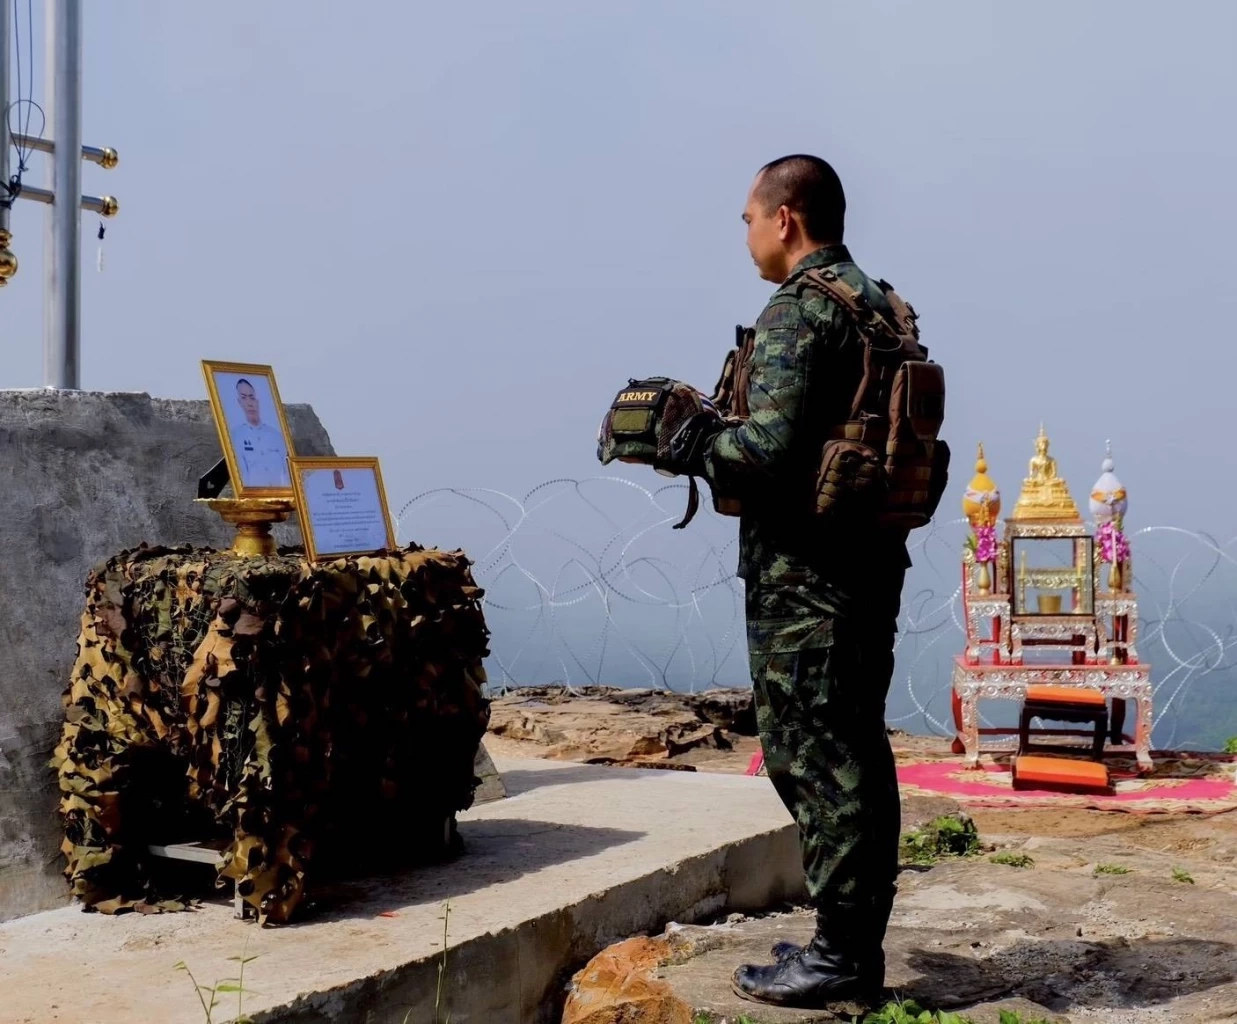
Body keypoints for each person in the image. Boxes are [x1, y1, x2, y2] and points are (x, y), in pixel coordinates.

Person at [663, 155, 914, 1011]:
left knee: (817, 756)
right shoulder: (877, 304)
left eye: (747, 218)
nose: (743, 233)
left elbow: (764, 452)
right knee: (853, 747)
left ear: (786, 219)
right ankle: (846, 940)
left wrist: (683, 441)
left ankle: (843, 955)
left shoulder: (800, 311)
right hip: (865, 561)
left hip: (807, 577)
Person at [232, 377, 291, 489]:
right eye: (244, 398)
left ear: (258, 401)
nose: (249, 403)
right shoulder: (236, 436)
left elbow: (287, 473)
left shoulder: (276, 435)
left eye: (252, 397)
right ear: (239, 402)